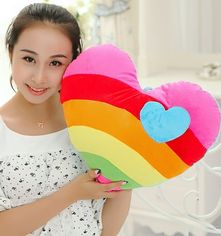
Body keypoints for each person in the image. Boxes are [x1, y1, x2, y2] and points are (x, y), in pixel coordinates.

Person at [0, 3, 131, 236]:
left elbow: (113, 207)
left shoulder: (91, 125)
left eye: (55, 63)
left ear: (72, 64)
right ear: (11, 53)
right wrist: (72, 193)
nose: (39, 77)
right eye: (29, 59)